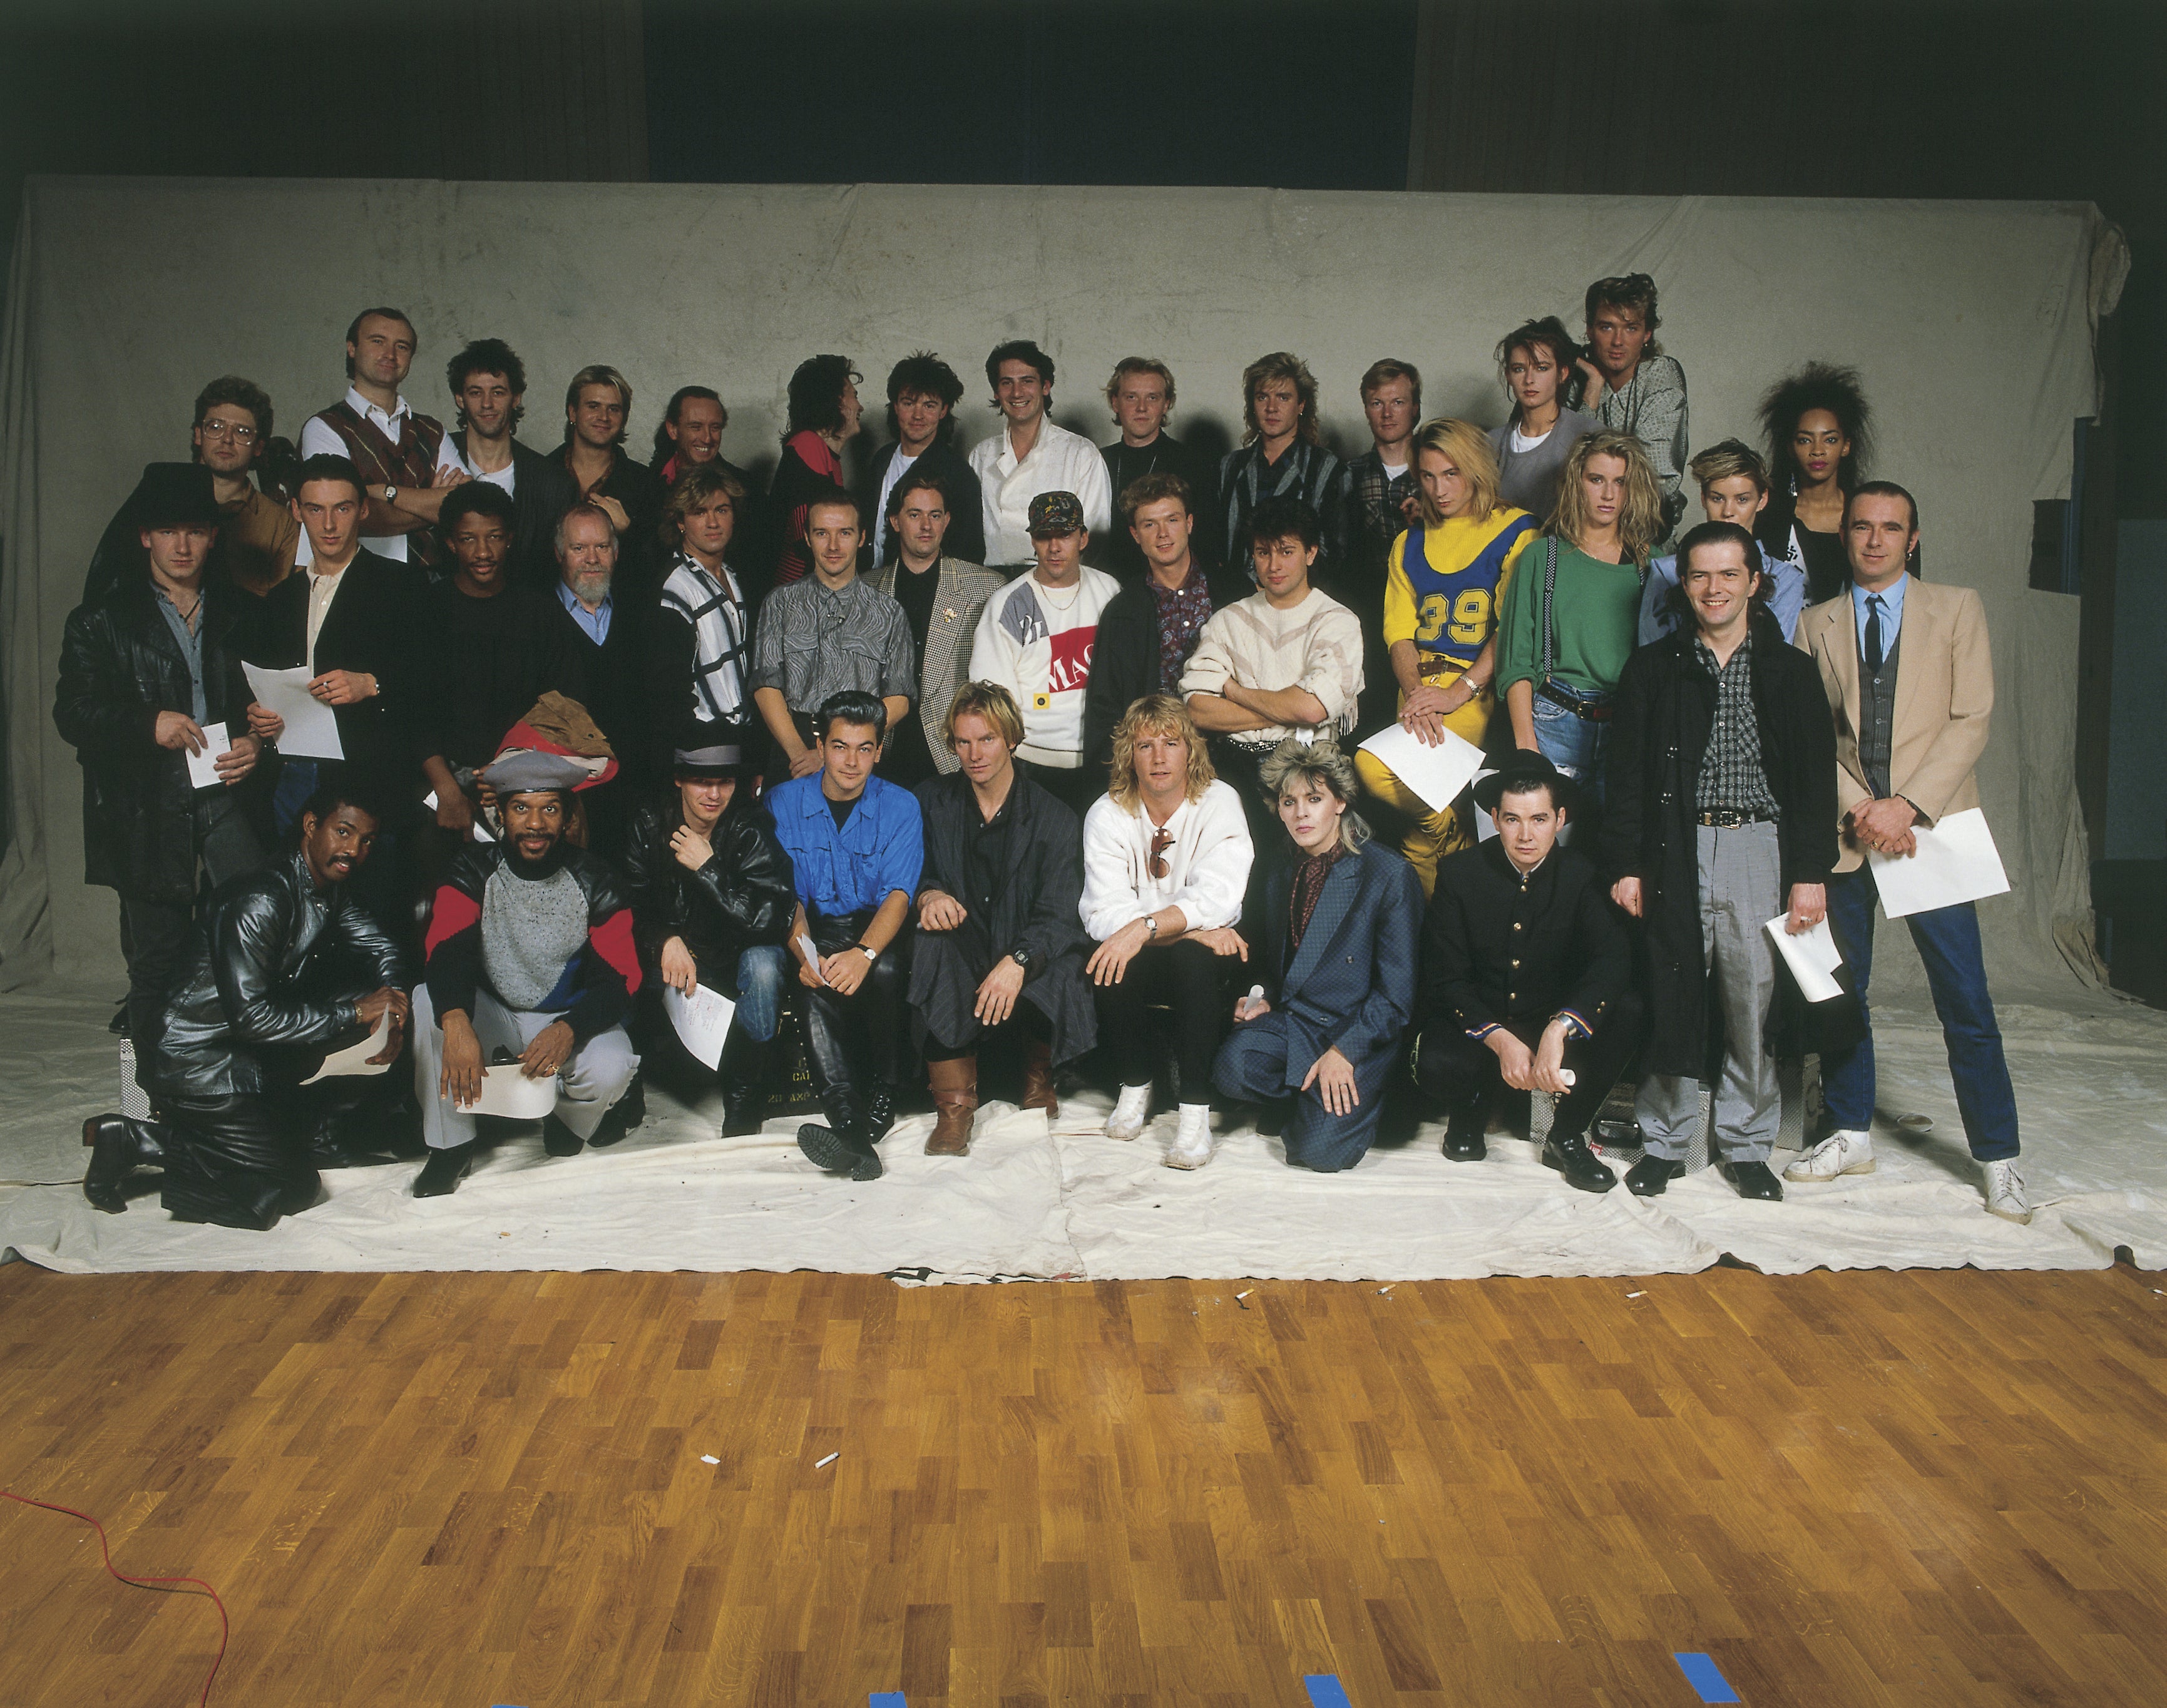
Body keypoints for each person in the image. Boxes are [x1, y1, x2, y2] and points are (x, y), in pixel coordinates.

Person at [1787, 484, 2029, 1222]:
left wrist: (1906, 806)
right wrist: (1862, 807)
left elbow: (1972, 717)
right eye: (1861, 526)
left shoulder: (1957, 608)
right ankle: (1851, 1130)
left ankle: (1999, 1156)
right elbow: (1807, 734)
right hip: (1848, 828)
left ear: (1913, 538)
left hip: (1932, 825)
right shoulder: (1813, 620)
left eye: (1891, 528)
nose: (1875, 539)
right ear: (1846, 537)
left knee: (1965, 997)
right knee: (1843, 989)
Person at [1602, 521, 1838, 1201]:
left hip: (1757, 846)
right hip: (1674, 843)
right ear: (1685, 584)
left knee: (1752, 996)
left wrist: (1810, 872)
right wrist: (1625, 862)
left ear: (1755, 582)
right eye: (1700, 575)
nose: (1713, 588)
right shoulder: (1653, 668)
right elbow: (1625, 779)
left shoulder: (1791, 672)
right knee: (1670, 986)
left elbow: (1814, 781)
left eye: (1728, 574)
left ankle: (1745, 1142)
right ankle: (1666, 1141)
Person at [79, 785, 409, 1229]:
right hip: (195, 1061)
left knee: (358, 999)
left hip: (244, 1052)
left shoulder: (327, 887)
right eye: (344, 831)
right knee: (291, 1188)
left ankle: (308, 1135)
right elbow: (253, 1017)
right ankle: (139, 1140)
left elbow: (381, 946)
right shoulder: (262, 898)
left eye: (366, 840)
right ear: (312, 826)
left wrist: (392, 1008)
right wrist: (356, 1011)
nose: (354, 849)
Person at [55, 463, 269, 1071]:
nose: (182, 545)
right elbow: (72, 711)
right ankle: (160, 1100)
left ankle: (241, 1092)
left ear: (213, 536)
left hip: (226, 797)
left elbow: (272, 702)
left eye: (196, 531)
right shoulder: (101, 620)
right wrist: (146, 723)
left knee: (253, 938)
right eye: (168, 531)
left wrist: (259, 743)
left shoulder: (240, 613)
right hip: (146, 807)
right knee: (157, 961)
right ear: (145, 536)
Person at [409, 746, 643, 1197]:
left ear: (568, 817)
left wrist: (570, 1028)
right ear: (500, 814)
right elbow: (444, 950)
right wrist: (456, 1019)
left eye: (549, 809)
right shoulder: (472, 870)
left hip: (567, 1020)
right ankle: (451, 1148)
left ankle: (569, 1122)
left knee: (613, 1064)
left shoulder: (598, 879)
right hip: (495, 1012)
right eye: (521, 808)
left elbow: (622, 978)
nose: (535, 824)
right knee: (428, 1000)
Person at [1416, 751, 1639, 1191]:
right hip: (1480, 1021)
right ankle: (1471, 1106)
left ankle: (1566, 1134)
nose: (1525, 835)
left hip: (1546, 1019)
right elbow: (1444, 975)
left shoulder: (1582, 874)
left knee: (1630, 1010)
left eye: (1538, 819)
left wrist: (1560, 1028)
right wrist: (1498, 1038)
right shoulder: (1459, 873)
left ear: (1560, 818)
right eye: (1513, 819)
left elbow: (1612, 960)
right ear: (1495, 817)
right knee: (1435, 1061)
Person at [1214, 737, 1421, 1173]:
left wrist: (1344, 1052)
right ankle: (1309, 1094)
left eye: (1314, 798)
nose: (1301, 813)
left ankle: (1340, 1103)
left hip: (1356, 1032)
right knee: (1232, 1067)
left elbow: (1396, 997)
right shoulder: (1279, 867)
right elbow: (1274, 964)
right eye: (1289, 802)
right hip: (1298, 1024)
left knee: (1320, 1153)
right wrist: (1260, 996)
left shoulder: (1387, 873)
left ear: (1341, 801)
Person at [1351, 419, 1537, 895]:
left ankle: (1448, 864)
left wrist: (1458, 692)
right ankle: (1435, 930)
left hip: (1472, 690)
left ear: (1475, 468)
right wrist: (1417, 692)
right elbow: (1398, 635)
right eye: (1428, 476)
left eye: (1451, 473)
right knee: (1420, 824)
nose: (1439, 488)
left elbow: (1511, 627)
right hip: (1416, 688)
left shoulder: (1515, 530)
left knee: (1383, 773)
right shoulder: (1409, 541)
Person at [910, 682, 1095, 1153]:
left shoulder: (1054, 817)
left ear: (1012, 738)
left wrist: (1018, 959)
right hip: (966, 946)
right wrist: (927, 894)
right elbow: (907, 871)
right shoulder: (931, 801)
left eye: (987, 738)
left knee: (1070, 960)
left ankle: (1038, 1077)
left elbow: (1059, 916)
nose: (974, 753)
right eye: (963, 741)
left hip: (1025, 957)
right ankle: (954, 1109)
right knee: (931, 942)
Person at [1081, 695, 1254, 1169]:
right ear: (1128, 755)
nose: (1159, 757)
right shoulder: (1107, 813)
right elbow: (1103, 913)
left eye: (1171, 743)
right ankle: (1135, 1082)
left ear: (1190, 751)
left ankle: (1195, 1113)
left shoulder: (1219, 801)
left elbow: (1219, 897)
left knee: (1191, 959)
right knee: (1110, 955)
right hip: (1166, 949)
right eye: (1145, 745)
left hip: (1207, 962)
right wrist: (1188, 930)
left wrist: (1148, 926)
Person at [772, 692, 925, 1182]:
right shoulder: (783, 801)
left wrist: (864, 952)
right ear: (820, 744)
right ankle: (851, 1126)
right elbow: (786, 896)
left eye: (864, 748)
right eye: (839, 746)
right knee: (811, 986)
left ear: (880, 750)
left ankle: (885, 1090)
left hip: (877, 928)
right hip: (814, 927)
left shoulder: (901, 806)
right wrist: (804, 951)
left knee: (885, 970)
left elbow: (899, 896)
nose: (851, 761)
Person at [246, 453, 427, 858]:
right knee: (289, 902)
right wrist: (255, 716)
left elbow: (436, 679)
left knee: (369, 910)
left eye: (342, 508)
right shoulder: (277, 601)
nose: (329, 525)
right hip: (290, 774)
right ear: (296, 510)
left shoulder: (402, 586)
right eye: (315, 509)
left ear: (363, 509)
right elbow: (255, 684)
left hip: (368, 776)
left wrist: (374, 683)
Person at [621, 739, 796, 1137]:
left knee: (765, 964)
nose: (714, 795)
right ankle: (625, 1090)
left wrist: (709, 869)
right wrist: (664, 939)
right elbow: (626, 907)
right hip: (672, 956)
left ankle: (745, 1094)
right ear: (680, 780)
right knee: (614, 959)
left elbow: (771, 919)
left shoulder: (749, 826)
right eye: (702, 782)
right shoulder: (649, 824)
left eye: (724, 783)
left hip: (732, 953)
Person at [1494, 431, 1664, 810]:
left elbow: (1664, 668)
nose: (1608, 494)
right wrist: (1527, 748)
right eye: (1596, 480)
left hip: (1627, 723)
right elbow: (1517, 659)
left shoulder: (1653, 564)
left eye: (1620, 482)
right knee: (1549, 854)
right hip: (1557, 719)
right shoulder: (1544, 557)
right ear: (1577, 483)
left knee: (1615, 852)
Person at [1181, 494, 1364, 844]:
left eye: (1287, 551)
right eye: (1264, 552)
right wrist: (1289, 710)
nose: (1274, 565)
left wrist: (1235, 692)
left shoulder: (1337, 621)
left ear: (1311, 553)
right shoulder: (1228, 620)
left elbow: (1313, 708)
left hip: (1309, 767)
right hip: (1233, 766)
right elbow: (1199, 710)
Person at [412, 483, 587, 849]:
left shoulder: (540, 613)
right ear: (450, 543)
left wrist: (515, 777)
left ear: (510, 539)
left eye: (493, 537)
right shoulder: (427, 610)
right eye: (468, 539)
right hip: (443, 782)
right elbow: (413, 709)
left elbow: (562, 707)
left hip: (527, 783)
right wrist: (445, 788)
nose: (482, 552)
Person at [966, 489, 1122, 816]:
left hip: (1104, 758)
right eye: (1043, 536)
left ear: (1083, 538)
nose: (1054, 547)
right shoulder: (1008, 603)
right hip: (1033, 764)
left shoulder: (1109, 590)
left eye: (1064, 534)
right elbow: (993, 700)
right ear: (1033, 541)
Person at [1083, 473, 1249, 773]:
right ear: (1135, 534)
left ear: (1189, 523)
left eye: (1172, 520)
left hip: (1235, 752)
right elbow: (1105, 709)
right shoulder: (1123, 612)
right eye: (1150, 524)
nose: (1163, 534)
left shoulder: (1234, 592)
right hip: (1157, 762)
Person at [748, 489, 915, 785]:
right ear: (807, 537)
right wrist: (801, 753)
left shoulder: (889, 612)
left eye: (845, 533)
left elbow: (900, 697)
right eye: (822, 533)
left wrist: (840, 749)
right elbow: (765, 686)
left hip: (860, 753)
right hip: (793, 752)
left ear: (862, 537)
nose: (834, 546)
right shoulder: (779, 603)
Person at [85, 378, 302, 603]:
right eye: (215, 427)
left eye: (242, 432)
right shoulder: (157, 495)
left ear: (258, 446)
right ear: (198, 435)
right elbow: (108, 588)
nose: (227, 439)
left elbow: (287, 608)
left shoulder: (280, 525)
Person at [868, 468, 1003, 787]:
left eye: (935, 515)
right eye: (914, 514)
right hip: (882, 751)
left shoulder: (986, 587)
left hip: (951, 753)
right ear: (895, 521)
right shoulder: (867, 589)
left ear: (947, 521)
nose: (926, 526)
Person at [297, 306, 458, 573]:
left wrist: (385, 493)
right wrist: (435, 508)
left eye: (402, 346)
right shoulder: (324, 427)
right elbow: (343, 518)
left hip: (434, 578)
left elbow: (467, 506)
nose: (390, 355)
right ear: (352, 348)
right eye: (377, 341)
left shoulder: (433, 430)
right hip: (358, 580)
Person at [546, 501, 653, 855]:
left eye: (602, 547)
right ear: (560, 553)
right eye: (579, 548)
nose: (592, 558)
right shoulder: (535, 617)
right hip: (567, 795)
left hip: (636, 793)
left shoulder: (640, 612)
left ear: (616, 553)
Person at [436, 337, 580, 593]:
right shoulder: (437, 461)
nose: (487, 404)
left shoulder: (553, 482)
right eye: (475, 392)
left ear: (515, 398)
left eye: (498, 392)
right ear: (460, 399)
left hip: (526, 620)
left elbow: (557, 572)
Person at [1641, 441, 1809, 647]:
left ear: (1762, 499)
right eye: (1717, 499)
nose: (1728, 512)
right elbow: (1652, 657)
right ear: (1703, 498)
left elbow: (1776, 659)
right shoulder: (1665, 572)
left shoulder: (1786, 579)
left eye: (1742, 500)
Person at [966, 340, 1113, 568]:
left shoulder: (1081, 454)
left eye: (1027, 381)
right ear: (996, 392)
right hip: (990, 583)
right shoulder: (981, 455)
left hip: (1057, 583)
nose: (1017, 393)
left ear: (1045, 387)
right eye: (1007, 383)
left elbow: (1096, 540)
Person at [1564, 275, 1689, 538]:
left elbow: (1655, 479)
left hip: (1645, 534)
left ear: (1647, 333)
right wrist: (1594, 386)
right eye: (1607, 327)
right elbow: (1565, 465)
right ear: (1589, 330)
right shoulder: (1578, 379)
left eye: (1631, 328)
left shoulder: (1661, 374)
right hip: (1576, 532)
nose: (1618, 341)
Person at [1338, 359, 1423, 732]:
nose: (1388, 414)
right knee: (1371, 711)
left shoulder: (1439, 473)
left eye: (1398, 402)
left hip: (1425, 610)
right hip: (1367, 608)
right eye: (1377, 403)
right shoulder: (1348, 474)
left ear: (1416, 408)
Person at [652, 463, 757, 756]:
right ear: (681, 521)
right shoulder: (675, 588)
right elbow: (669, 695)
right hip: (701, 745)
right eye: (700, 512)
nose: (713, 523)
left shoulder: (735, 577)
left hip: (743, 738)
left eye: (722, 510)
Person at [1757, 363, 1882, 604]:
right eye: (1805, 440)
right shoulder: (1768, 513)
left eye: (1830, 440)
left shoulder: (1869, 513)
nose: (1817, 451)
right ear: (1791, 448)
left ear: (1846, 446)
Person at [1218, 352, 1345, 578]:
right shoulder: (1230, 468)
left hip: (1301, 602)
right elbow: (1218, 547)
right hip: (1236, 600)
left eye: (1283, 398)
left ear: (1301, 405)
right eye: (1262, 397)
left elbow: (1334, 552)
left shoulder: (1327, 469)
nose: (1272, 408)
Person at [861, 353, 986, 569]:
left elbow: (969, 553)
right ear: (896, 406)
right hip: (871, 586)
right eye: (909, 403)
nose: (918, 415)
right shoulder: (882, 459)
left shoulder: (958, 474)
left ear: (943, 411)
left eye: (929, 405)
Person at [1099, 357, 1218, 580]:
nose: (1141, 408)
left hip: (1171, 588)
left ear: (1166, 404)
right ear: (1115, 403)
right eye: (1131, 397)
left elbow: (1208, 544)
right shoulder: (1097, 461)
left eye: (1152, 398)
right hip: (1106, 584)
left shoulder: (1193, 464)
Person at [550, 364, 665, 592]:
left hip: (622, 611)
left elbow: (661, 564)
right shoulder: (540, 473)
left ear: (624, 418)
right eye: (593, 406)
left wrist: (629, 532)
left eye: (614, 409)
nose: (604, 417)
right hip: (546, 608)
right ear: (573, 412)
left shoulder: (646, 483)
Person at [653, 384, 776, 595]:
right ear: (673, 430)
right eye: (696, 427)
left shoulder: (747, 490)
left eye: (715, 427)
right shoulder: (649, 483)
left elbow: (759, 572)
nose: (707, 438)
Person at [1488, 317, 1600, 519]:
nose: (1529, 379)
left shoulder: (1591, 436)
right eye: (1519, 369)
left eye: (1542, 368)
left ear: (1563, 373)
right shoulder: (1491, 444)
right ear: (1508, 376)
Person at [772, 355, 865, 586]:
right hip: (796, 597)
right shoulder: (808, 445)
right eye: (854, 396)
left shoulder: (826, 454)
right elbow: (806, 541)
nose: (860, 406)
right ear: (836, 402)